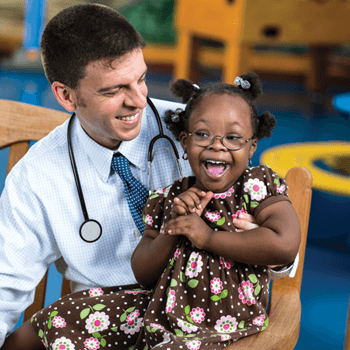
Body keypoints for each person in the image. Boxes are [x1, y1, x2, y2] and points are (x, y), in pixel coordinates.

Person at [0, 3, 262, 348]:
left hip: (203, 312)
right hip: (101, 324)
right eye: (114, 91)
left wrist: (260, 243)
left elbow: (281, 246)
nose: (139, 100)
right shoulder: (37, 177)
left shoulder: (201, 132)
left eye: (140, 78)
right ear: (66, 95)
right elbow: (5, 286)